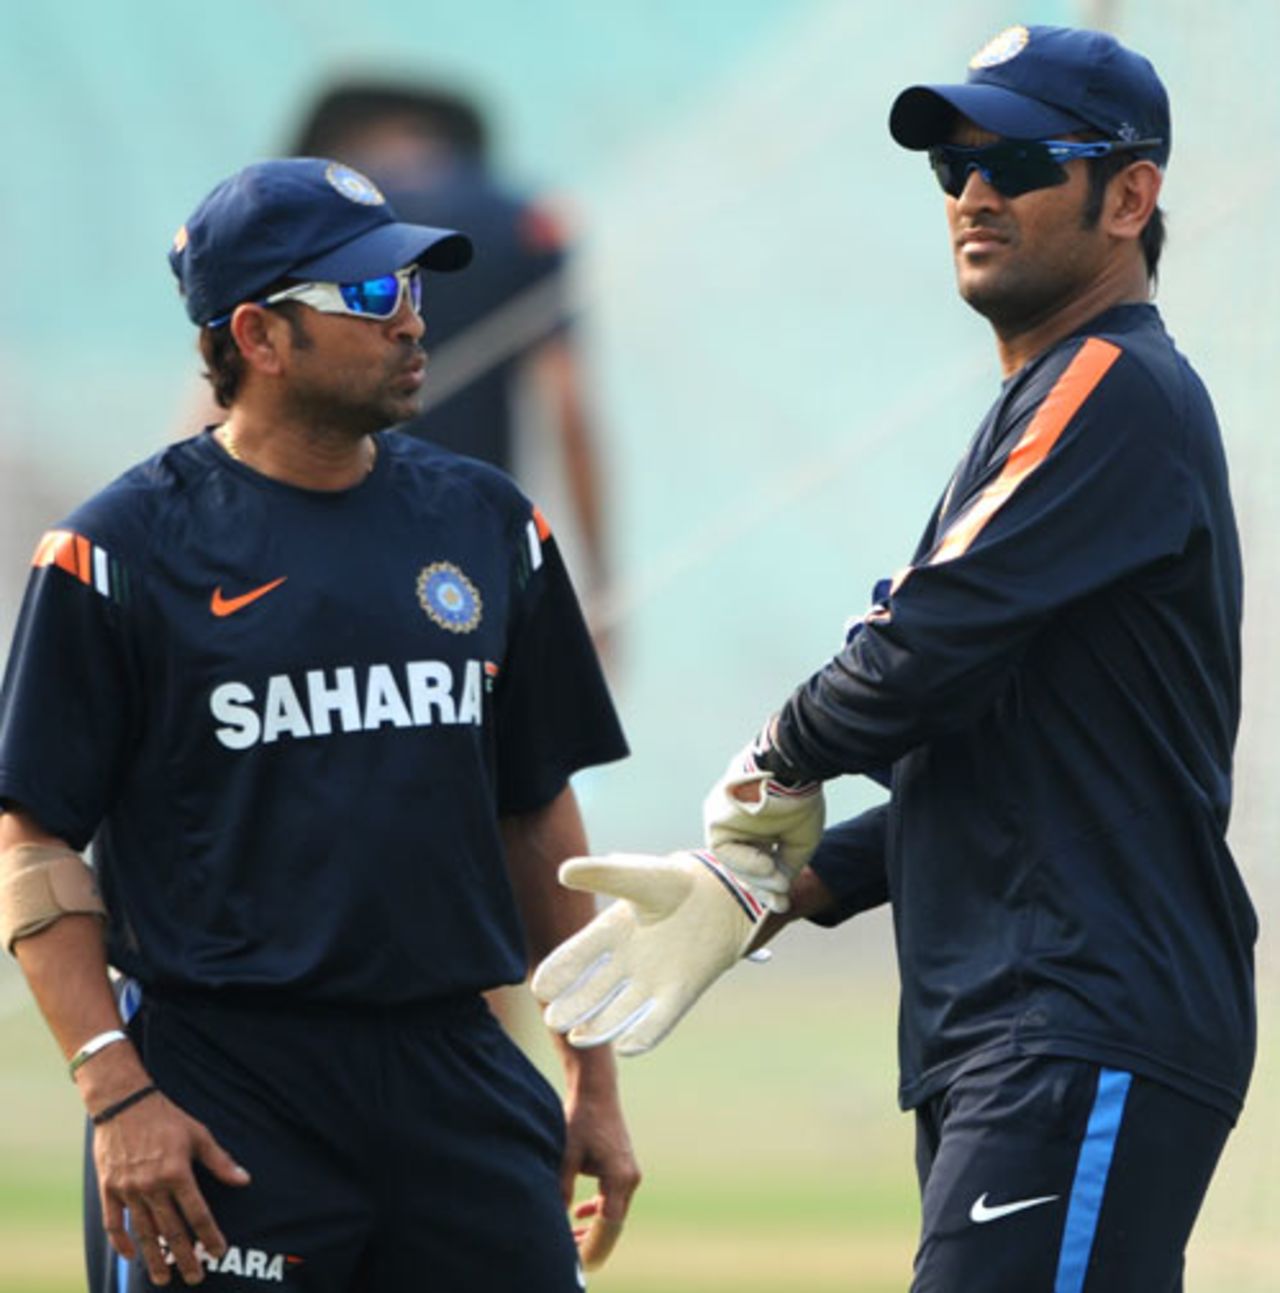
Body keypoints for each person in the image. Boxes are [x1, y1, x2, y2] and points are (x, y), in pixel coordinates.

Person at [532, 25, 1255, 1293]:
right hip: (1026, 1022)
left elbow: (916, 648)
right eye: (948, 168)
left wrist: (771, 765)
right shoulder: (1054, 402)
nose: (972, 192)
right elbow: (996, 750)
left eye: (1017, 160)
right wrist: (765, 887)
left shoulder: (1109, 384)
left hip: (1077, 1013)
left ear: (1128, 197)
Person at [0, 156, 639, 1290]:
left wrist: (590, 1068)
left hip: (458, 1072)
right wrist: (115, 1090)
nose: (412, 322)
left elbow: (534, 808)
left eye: (413, 288)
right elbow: (36, 847)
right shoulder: (115, 554)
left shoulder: (490, 526)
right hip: (225, 1088)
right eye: (371, 297)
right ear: (257, 334)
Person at [287, 82, 612, 633]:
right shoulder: (521, 220)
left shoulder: (311, 222)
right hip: (468, 554)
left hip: (318, 542)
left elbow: (228, 398)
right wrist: (600, 585)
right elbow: (568, 407)